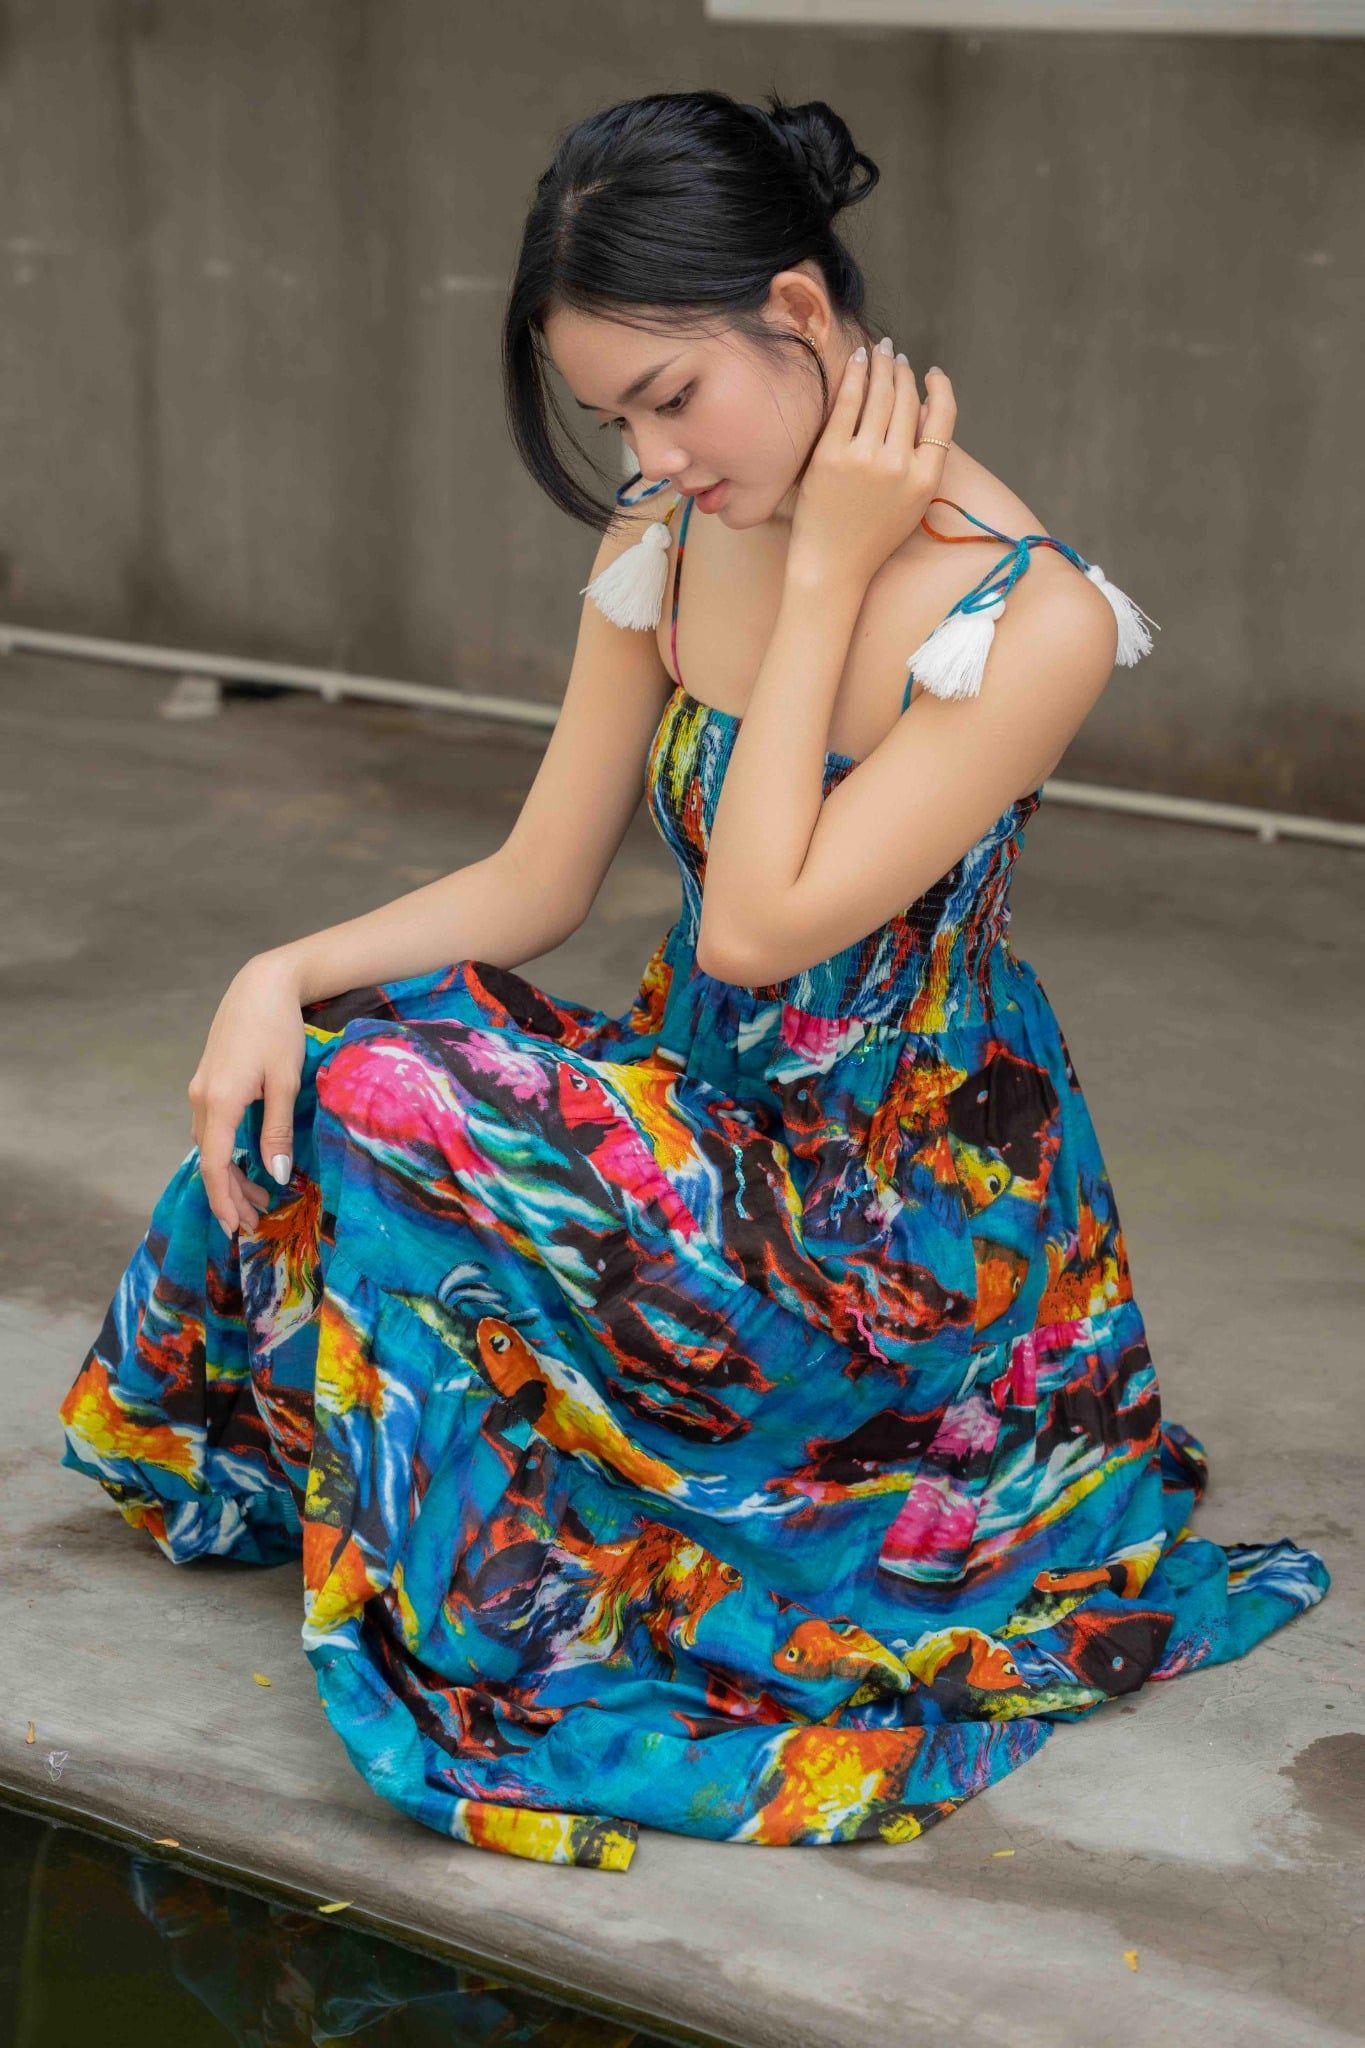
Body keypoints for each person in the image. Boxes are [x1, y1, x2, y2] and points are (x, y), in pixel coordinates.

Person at [58, 87, 1330, 1875]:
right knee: (338, 1048)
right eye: (615, 419)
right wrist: (277, 969)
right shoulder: (669, 537)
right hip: (701, 1137)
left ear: (797, 313)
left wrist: (820, 577)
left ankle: (553, 1559)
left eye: (671, 397)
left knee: (396, 1094)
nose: (651, 454)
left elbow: (753, 929)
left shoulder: (1025, 617)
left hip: (895, 1241)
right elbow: (538, 879)